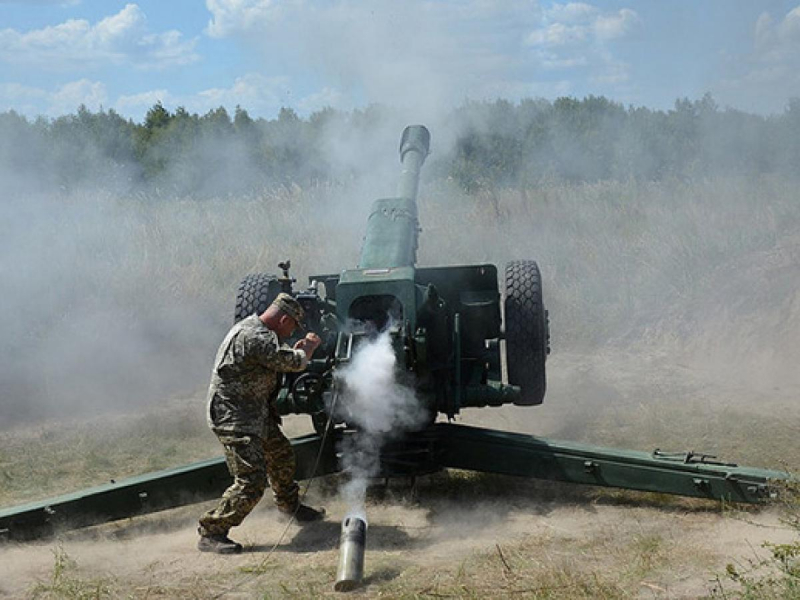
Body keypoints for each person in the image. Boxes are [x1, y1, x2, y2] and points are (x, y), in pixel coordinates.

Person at [198, 293, 325, 554]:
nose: (292, 332)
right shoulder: (255, 336)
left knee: (281, 455)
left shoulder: (255, 329)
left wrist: (295, 349)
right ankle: (212, 531)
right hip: (234, 418)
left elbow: (278, 357)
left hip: (252, 413)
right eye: (292, 327)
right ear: (284, 319)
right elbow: (293, 362)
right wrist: (308, 349)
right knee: (251, 481)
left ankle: (290, 506)